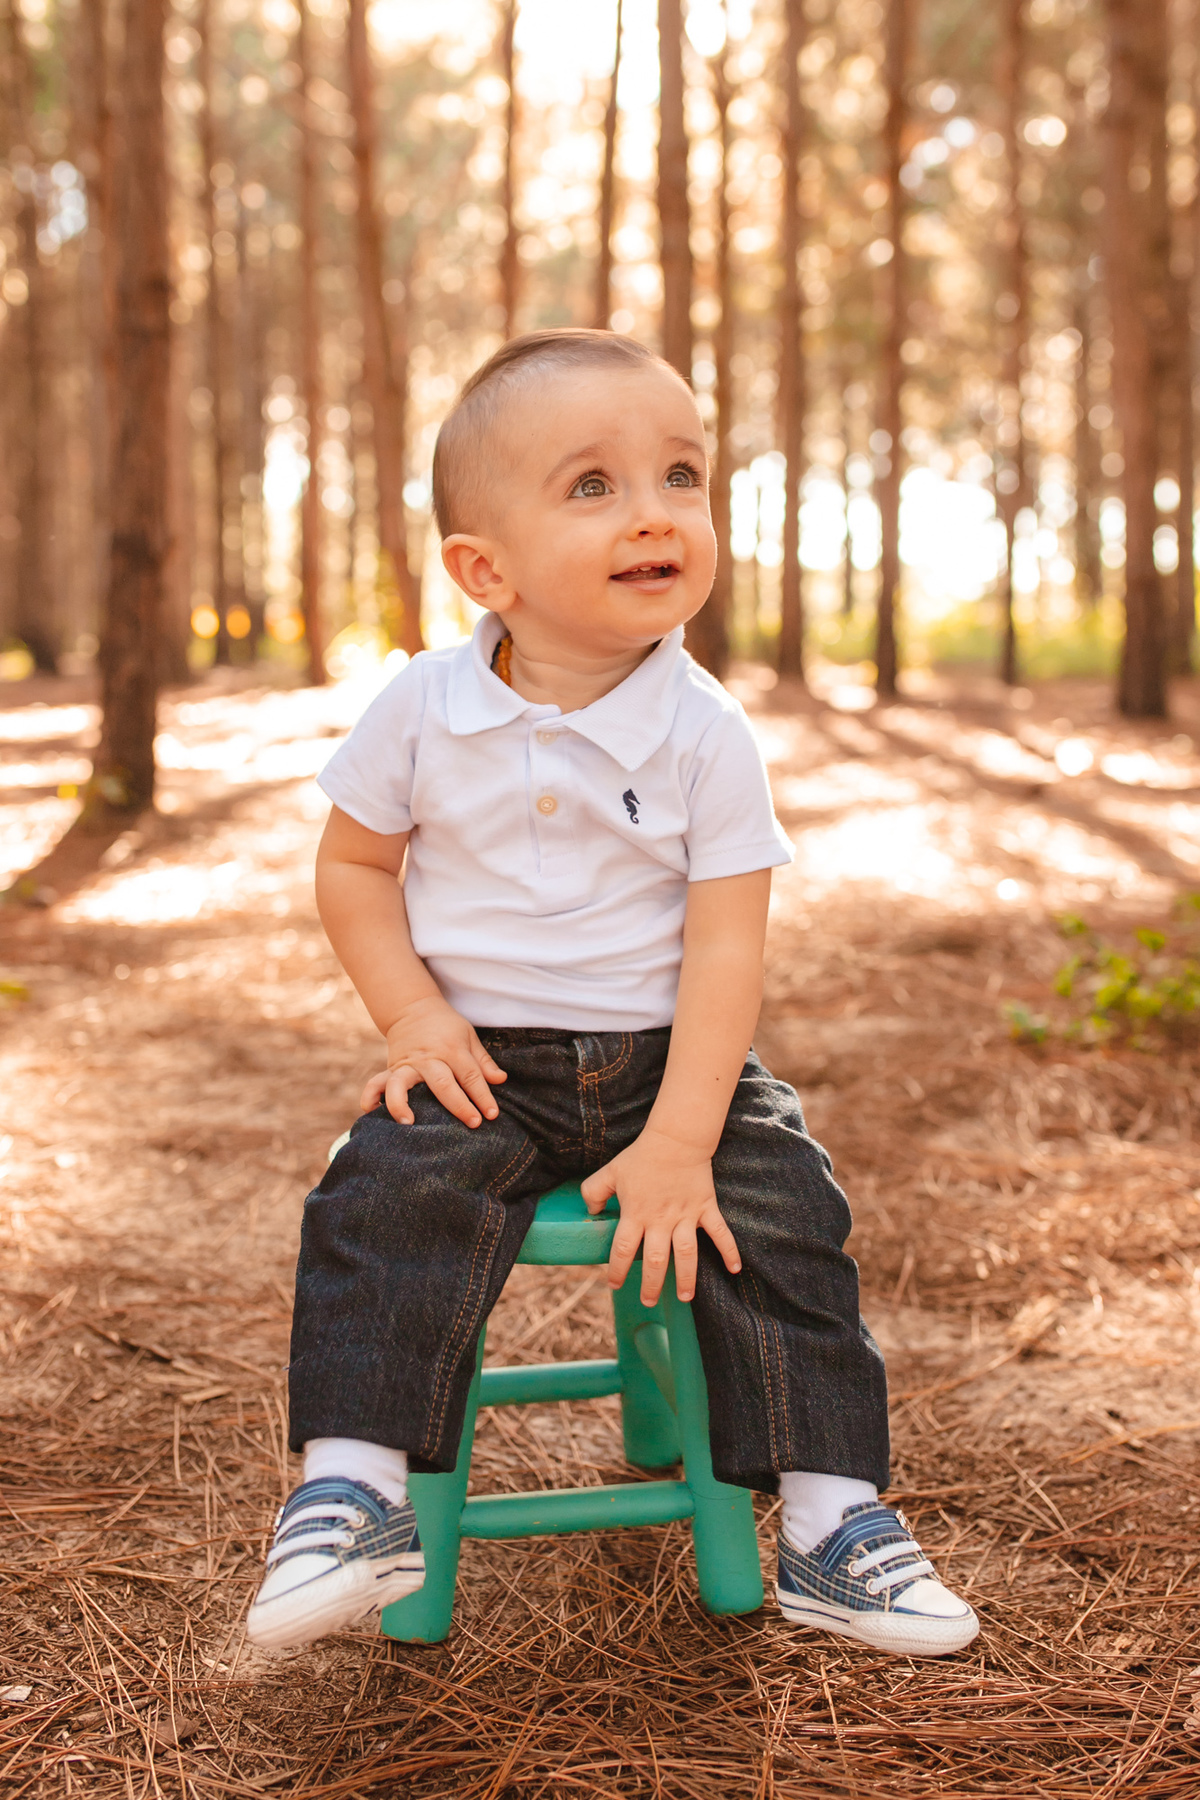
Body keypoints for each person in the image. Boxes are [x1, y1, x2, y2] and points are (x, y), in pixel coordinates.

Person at [246, 330, 978, 1658]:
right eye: (593, 486)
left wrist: (688, 1136)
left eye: (681, 475)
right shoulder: (422, 707)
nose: (654, 512)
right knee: (380, 1191)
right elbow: (352, 865)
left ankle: (834, 1521)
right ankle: (351, 1490)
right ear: (486, 570)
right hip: (484, 1063)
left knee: (786, 1207)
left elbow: (728, 952)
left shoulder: (704, 730)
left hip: (671, 1064)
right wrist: (414, 1016)